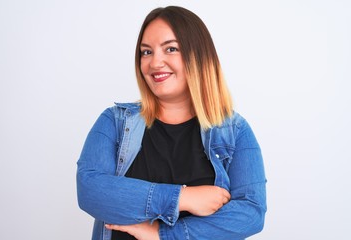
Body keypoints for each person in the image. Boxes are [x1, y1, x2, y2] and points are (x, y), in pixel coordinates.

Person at [77, 6, 267, 240]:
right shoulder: (114, 121)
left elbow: (251, 214)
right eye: (146, 52)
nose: (155, 62)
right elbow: (90, 191)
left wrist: (163, 235)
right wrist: (182, 198)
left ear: (199, 56)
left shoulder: (234, 131)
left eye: (171, 49)